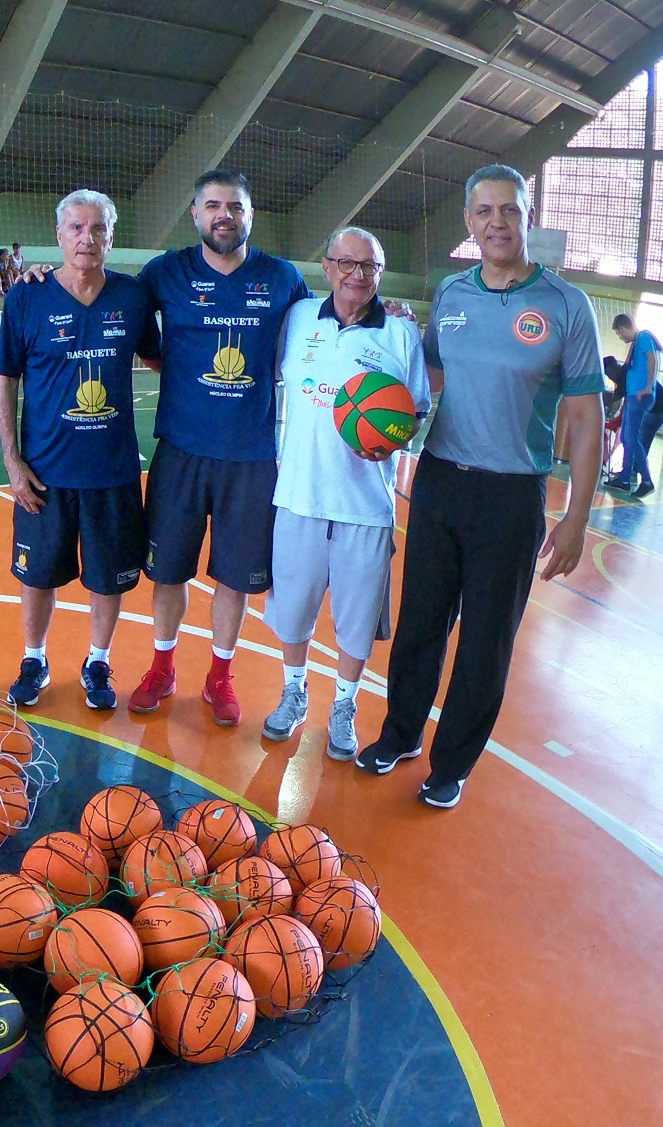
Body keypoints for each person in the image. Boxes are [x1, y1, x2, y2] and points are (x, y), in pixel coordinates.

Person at [357, 164, 602, 809]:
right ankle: (401, 734)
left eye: (509, 210)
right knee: (420, 624)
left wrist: (576, 517)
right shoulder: (454, 294)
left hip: (512, 495)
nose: (497, 221)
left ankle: (451, 765)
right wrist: (395, 338)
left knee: (487, 638)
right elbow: (428, 377)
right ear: (468, 222)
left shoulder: (566, 306)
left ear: (528, 215)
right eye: (484, 211)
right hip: (440, 481)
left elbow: (584, 418)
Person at [128, 170, 311, 726]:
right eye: (212, 205)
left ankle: (220, 677)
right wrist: (47, 278)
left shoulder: (282, 278)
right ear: (195, 213)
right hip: (180, 450)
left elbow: (321, 333)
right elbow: (116, 310)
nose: (223, 214)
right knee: (167, 573)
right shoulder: (166, 271)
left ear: (251, 215)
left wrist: (388, 314)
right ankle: (163, 667)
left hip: (251, 456)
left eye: (234, 205)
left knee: (235, 576)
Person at [261, 227, 428, 761]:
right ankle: (293, 691)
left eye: (369, 267)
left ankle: (345, 705)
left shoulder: (400, 333)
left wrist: (393, 441)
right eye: (347, 264)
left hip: (366, 509)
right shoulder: (298, 319)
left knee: (355, 621)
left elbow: (416, 414)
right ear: (328, 266)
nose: (358, 276)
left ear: (379, 274)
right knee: (292, 611)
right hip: (299, 497)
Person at [0, 189, 149, 712]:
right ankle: (34, 658)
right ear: (59, 235)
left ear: (111, 238)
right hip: (44, 476)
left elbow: (169, 358)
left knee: (108, 578)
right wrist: (12, 461)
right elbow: (5, 378)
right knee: (37, 574)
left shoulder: (131, 298)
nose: (88, 238)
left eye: (98, 229)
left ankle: (98, 659)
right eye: (77, 228)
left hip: (112, 472)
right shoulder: (27, 297)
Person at [608, 313, 663, 498]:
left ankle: (647, 481)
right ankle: (624, 479)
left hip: (640, 395)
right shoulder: (636, 343)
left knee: (632, 438)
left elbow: (652, 360)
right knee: (627, 439)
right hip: (633, 394)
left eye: (619, 334)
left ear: (623, 328)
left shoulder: (643, 337)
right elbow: (629, 365)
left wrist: (648, 387)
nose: (621, 337)